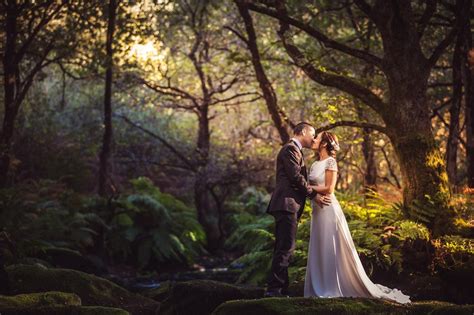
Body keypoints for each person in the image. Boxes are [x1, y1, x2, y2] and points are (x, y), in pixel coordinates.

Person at [304, 131, 410, 304]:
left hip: (329, 209)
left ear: (324, 143)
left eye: (317, 137)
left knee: (330, 246)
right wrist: (309, 190)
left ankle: (332, 286)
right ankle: (319, 285)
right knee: (319, 244)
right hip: (317, 209)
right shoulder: (315, 164)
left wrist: (307, 188)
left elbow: (329, 189)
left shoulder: (331, 162)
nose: (314, 139)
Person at [265, 122, 330, 297]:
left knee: (284, 246)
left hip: (288, 205)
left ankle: (280, 289)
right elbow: (295, 177)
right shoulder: (290, 149)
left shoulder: (294, 150)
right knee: (285, 248)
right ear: (302, 132)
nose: (314, 138)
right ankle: (274, 290)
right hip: (286, 204)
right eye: (312, 134)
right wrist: (313, 195)